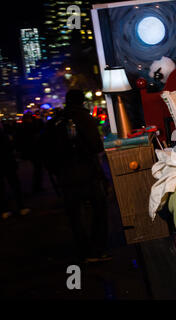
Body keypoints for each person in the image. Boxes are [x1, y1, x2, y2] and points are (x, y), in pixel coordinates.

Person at [41, 89, 111, 263]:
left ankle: (84, 251)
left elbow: (44, 148)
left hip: (65, 176)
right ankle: (97, 249)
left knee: (75, 216)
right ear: (82, 101)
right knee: (99, 210)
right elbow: (96, 146)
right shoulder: (84, 118)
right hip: (87, 173)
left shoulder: (56, 120)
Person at [0, 122, 30, 219]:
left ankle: (5, 210)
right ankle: (21, 207)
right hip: (8, 163)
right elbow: (10, 147)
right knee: (15, 185)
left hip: (7, 163)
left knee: (2, 188)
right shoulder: (4, 135)